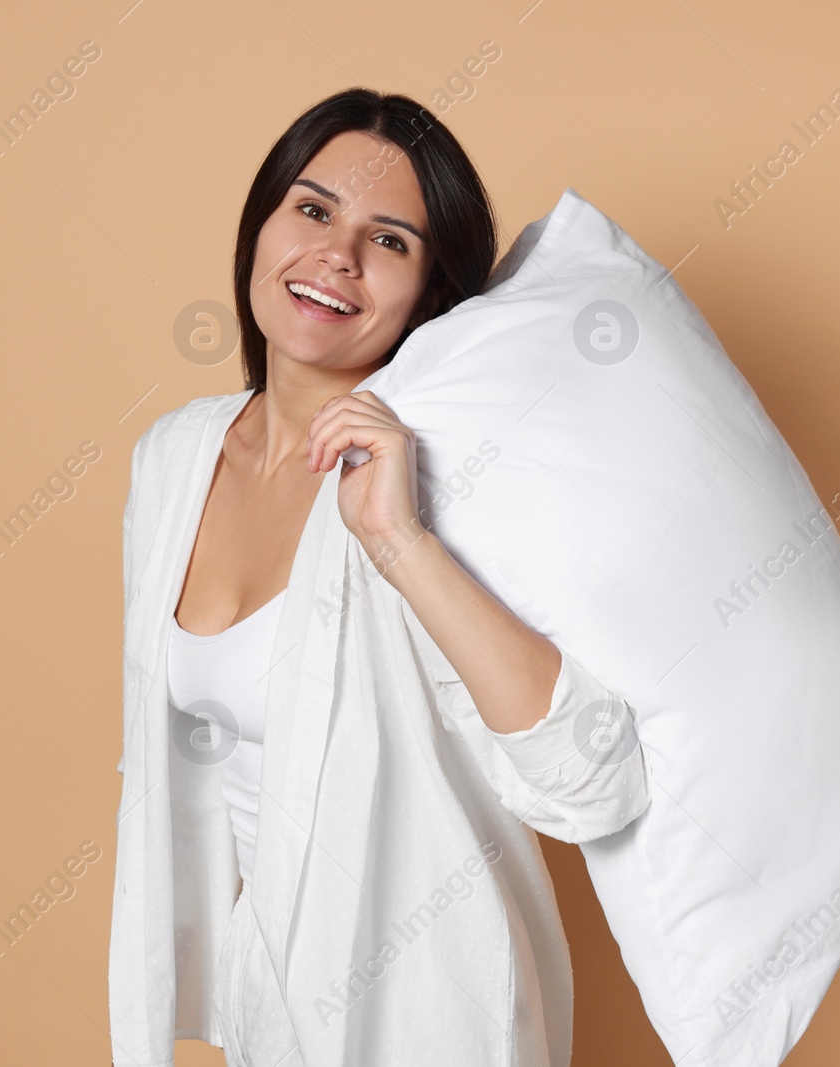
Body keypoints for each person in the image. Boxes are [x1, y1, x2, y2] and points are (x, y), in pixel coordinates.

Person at [109, 87, 652, 1067]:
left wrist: (400, 540)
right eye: (313, 210)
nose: (337, 256)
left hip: (436, 1015)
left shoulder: (446, 476)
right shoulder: (172, 457)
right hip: (273, 1012)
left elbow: (592, 783)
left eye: (390, 239)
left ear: (430, 294)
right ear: (261, 226)